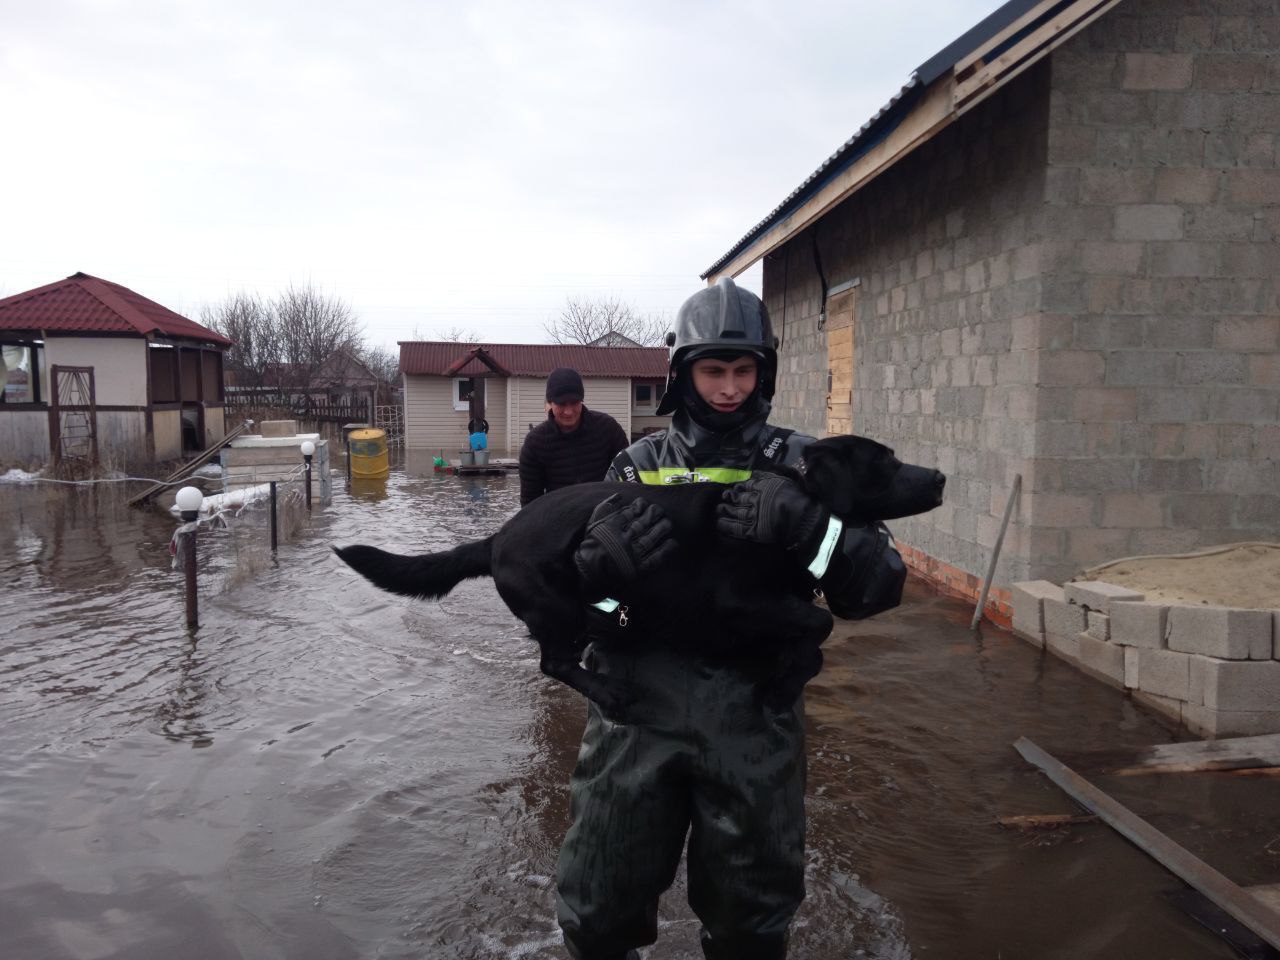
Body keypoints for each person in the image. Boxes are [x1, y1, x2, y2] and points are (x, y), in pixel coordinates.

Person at [555, 277, 906, 960]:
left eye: (744, 371)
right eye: (713, 370)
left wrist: (810, 527)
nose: (729, 389)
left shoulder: (807, 467)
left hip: (754, 720)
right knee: (598, 913)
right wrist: (598, 575)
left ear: (764, 372)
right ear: (682, 375)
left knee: (752, 926)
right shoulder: (632, 468)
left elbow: (878, 587)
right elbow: (573, 613)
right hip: (635, 718)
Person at [519, 367, 629, 506]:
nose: (568, 411)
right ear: (550, 402)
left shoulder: (608, 429)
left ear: (582, 400)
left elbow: (629, 480)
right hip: (560, 519)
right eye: (561, 404)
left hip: (606, 515)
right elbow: (530, 503)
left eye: (574, 402)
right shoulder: (535, 443)